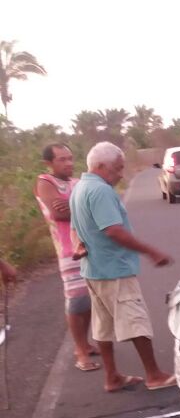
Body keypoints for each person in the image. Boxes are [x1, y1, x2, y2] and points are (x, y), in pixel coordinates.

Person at [69, 142, 177, 392]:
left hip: (93, 270)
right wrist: (152, 251)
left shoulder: (79, 188)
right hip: (113, 269)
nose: (120, 174)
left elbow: (75, 228)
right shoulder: (100, 191)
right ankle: (154, 375)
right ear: (100, 166)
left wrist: (78, 246)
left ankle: (112, 377)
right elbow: (113, 231)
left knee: (103, 325)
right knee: (135, 320)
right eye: (117, 169)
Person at [34, 143, 99, 371]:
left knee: (90, 297)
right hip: (67, 249)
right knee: (76, 299)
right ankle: (80, 350)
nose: (68, 163)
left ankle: (86, 343)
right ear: (49, 163)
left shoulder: (76, 183)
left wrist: (77, 207)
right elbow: (58, 213)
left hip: (89, 245)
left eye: (70, 158)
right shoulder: (46, 182)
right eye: (61, 159)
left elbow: (95, 207)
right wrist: (82, 207)